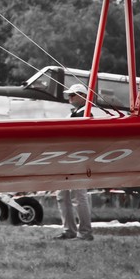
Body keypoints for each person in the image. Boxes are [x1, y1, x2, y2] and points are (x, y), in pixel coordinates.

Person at [55, 84, 94, 240]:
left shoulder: (86, 115)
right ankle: (68, 230)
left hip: (79, 158)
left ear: (83, 96)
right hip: (67, 158)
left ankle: (85, 232)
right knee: (62, 195)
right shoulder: (74, 114)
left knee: (79, 196)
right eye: (69, 95)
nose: (69, 98)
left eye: (73, 95)